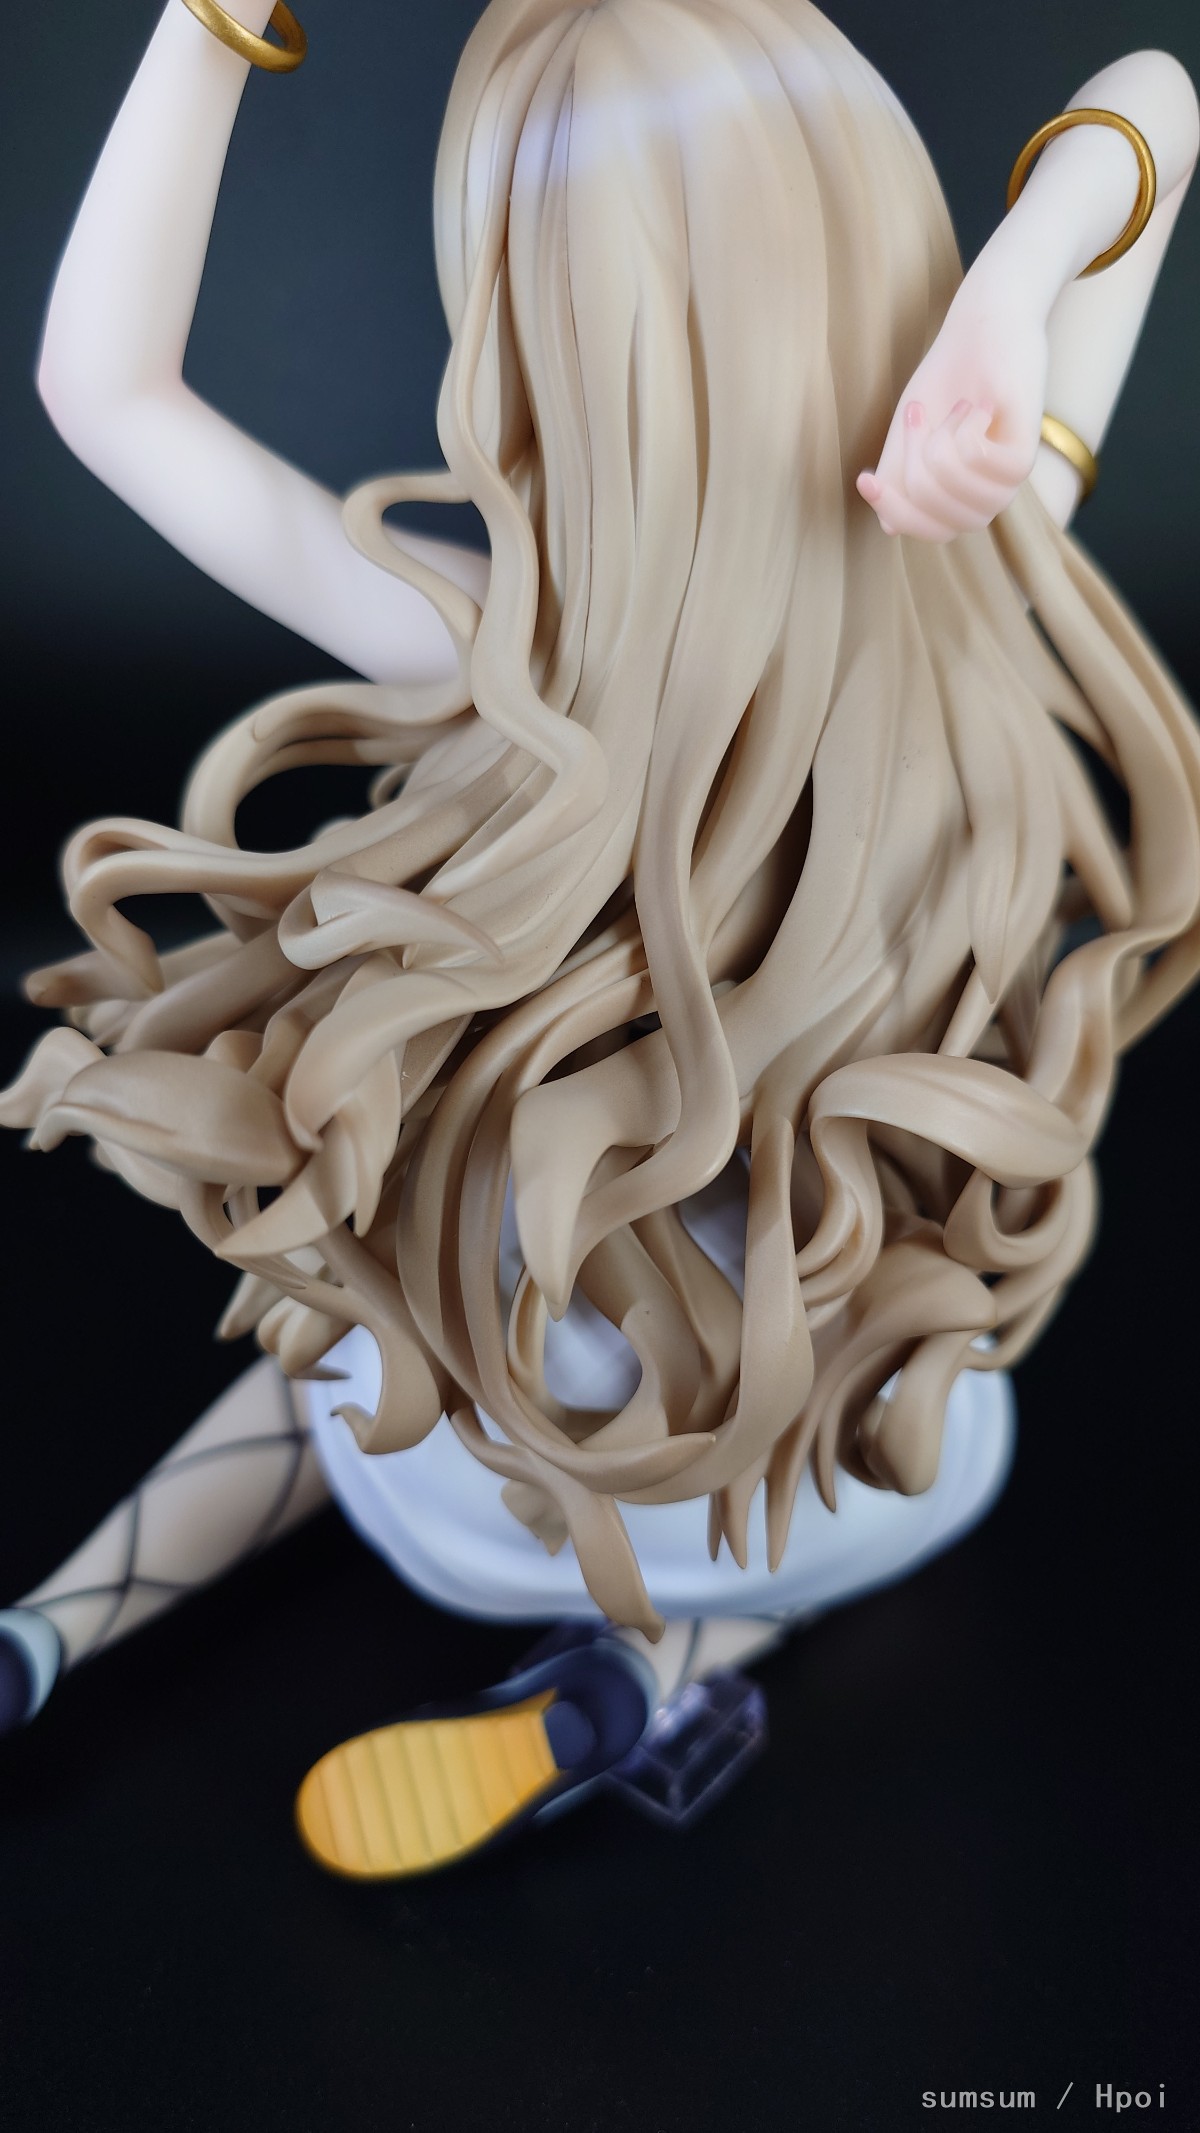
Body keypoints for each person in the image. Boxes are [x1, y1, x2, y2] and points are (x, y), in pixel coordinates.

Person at [2, 0, 1199, 1878]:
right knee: (935, 1445)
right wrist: (1010, 292)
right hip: (792, 1411)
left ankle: (51, 1625)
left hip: (507, 1386)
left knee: (340, 1357)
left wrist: (210, 26)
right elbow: (1161, 102)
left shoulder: (499, 645)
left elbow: (106, 392)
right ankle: (647, 1678)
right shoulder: (985, 561)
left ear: (539, 328)